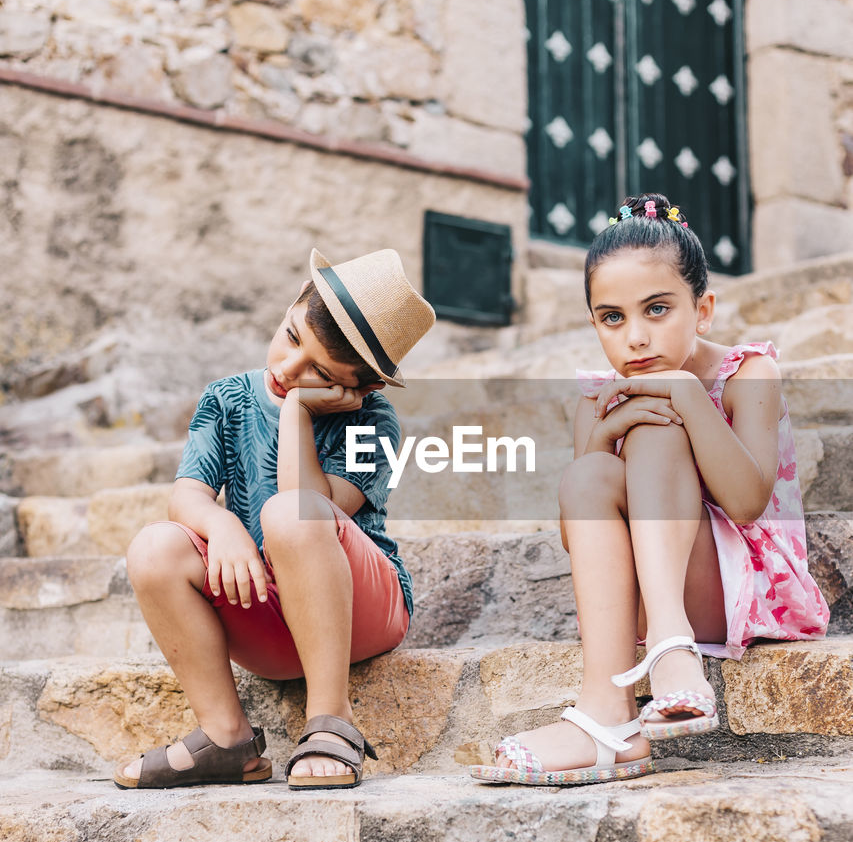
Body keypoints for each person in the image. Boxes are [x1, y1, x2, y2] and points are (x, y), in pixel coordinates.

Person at [473, 192, 829, 787]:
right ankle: (609, 713)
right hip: (644, 588)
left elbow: (746, 503)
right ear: (593, 324)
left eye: (657, 310)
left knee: (661, 427)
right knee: (593, 468)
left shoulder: (748, 374)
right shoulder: (601, 395)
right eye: (612, 318)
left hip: (740, 585)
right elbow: (578, 529)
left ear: (704, 309)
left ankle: (669, 645)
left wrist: (688, 397)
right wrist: (608, 429)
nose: (635, 337)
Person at [114, 247, 435, 791]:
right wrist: (224, 529)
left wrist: (295, 412)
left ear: (362, 387)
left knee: (291, 513)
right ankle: (226, 737)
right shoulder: (227, 399)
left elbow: (306, 503)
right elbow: (186, 496)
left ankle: (331, 720)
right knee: (154, 547)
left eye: (317, 372)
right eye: (291, 337)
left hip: (358, 612)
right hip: (270, 614)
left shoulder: (373, 421)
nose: (287, 370)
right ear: (290, 308)